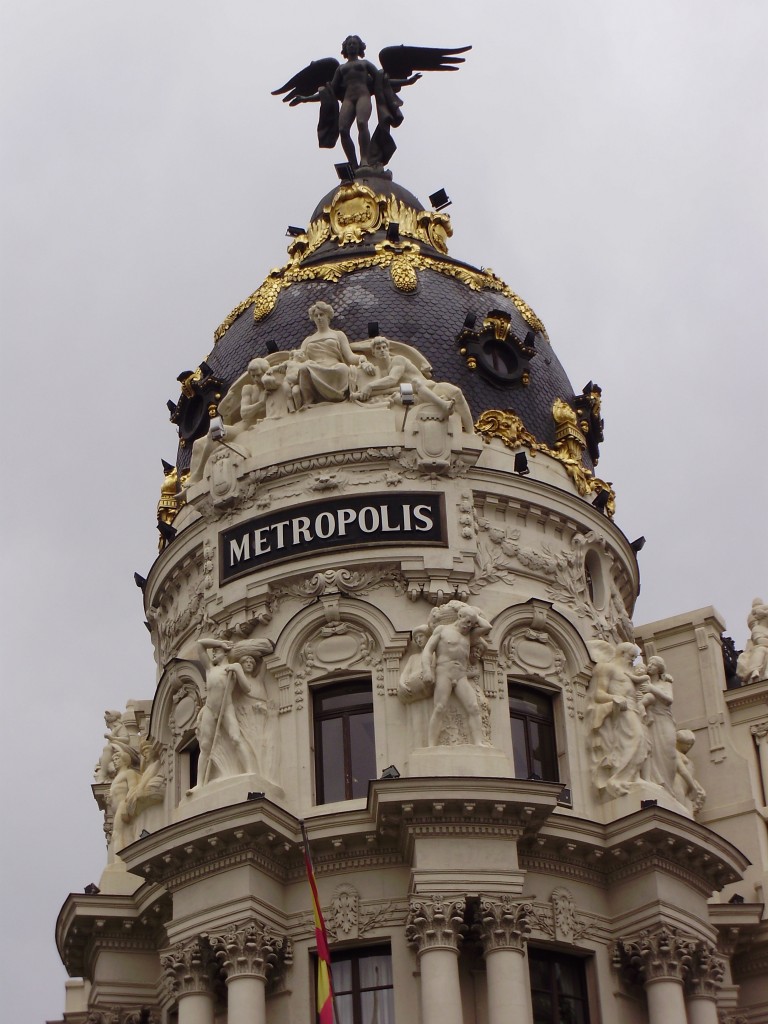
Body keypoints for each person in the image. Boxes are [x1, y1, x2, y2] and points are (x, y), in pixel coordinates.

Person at [355, 335, 474, 432]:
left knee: (456, 392)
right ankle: (443, 405)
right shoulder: (380, 374)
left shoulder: (398, 360)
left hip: (430, 388)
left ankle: (471, 433)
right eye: (378, 348)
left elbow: (393, 380)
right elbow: (392, 389)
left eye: (384, 347)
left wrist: (370, 386)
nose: (382, 350)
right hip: (414, 396)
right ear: (373, 353)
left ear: (388, 349)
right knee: (411, 386)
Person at [421, 601, 492, 746]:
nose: (468, 626)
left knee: (473, 707)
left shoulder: (469, 635)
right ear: (459, 616)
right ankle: (431, 745)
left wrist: (474, 616)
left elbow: (487, 627)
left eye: (471, 624)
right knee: (440, 707)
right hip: (444, 673)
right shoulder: (442, 630)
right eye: (466, 622)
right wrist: (427, 670)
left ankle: (479, 742)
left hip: (461, 676)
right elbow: (427, 651)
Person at [588, 642, 652, 797]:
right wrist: (615, 698)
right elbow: (598, 694)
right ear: (622, 652)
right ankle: (618, 779)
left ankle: (633, 777)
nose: (633, 660)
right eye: (631, 656)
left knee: (643, 743)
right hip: (621, 709)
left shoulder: (629, 673)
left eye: (635, 658)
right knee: (635, 738)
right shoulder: (607, 668)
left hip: (633, 709)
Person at [288, 302, 374, 409]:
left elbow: (350, 357)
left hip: (334, 367)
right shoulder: (308, 340)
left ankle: (337, 394)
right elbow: (298, 359)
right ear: (313, 318)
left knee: (342, 368)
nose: (319, 317)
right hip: (314, 367)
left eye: (321, 314)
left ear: (328, 316)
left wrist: (362, 359)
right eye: (316, 315)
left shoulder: (338, 335)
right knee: (304, 368)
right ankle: (307, 402)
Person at [641, 656, 678, 792]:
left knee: (670, 753)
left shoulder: (665, 684)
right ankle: (659, 784)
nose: (649, 666)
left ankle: (669, 787)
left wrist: (651, 688)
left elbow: (668, 700)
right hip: (651, 721)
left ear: (659, 668)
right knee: (652, 751)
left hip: (665, 720)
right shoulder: (643, 684)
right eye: (648, 664)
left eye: (653, 664)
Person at [736, 598, 768, 683]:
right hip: (760, 648)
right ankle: (755, 670)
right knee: (761, 649)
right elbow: (760, 641)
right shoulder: (757, 629)